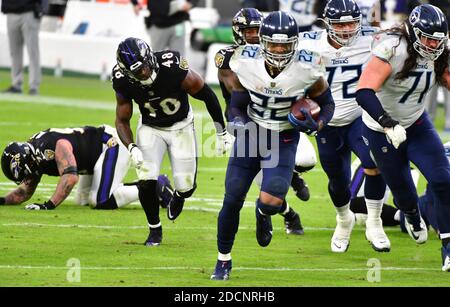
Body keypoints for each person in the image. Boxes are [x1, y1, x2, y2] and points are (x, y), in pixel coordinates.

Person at [211, 11, 335, 280]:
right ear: (263, 42)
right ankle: (223, 260)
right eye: (274, 44)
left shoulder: (308, 67)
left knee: (270, 201)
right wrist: (237, 122)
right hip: (253, 134)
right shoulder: (245, 62)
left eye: (285, 44)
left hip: (284, 137)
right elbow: (236, 106)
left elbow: (328, 105)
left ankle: (262, 212)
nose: (279, 50)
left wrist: (318, 124)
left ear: (295, 44)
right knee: (231, 199)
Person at [355, 4, 450, 272]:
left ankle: (448, 246)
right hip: (380, 129)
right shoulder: (392, 48)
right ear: (413, 32)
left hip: (418, 124)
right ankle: (411, 214)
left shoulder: (441, 51)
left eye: (437, 39)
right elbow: (363, 92)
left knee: (444, 180)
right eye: (428, 38)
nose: (433, 44)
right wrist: (387, 123)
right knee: (404, 194)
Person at [113, 37, 232, 247]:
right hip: (150, 127)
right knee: (146, 180)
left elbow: (208, 95)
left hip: (181, 126)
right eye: (136, 71)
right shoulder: (122, 79)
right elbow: (122, 119)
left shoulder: (172, 66)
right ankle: (154, 229)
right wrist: (131, 147)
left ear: (150, 57)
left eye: (144, 67)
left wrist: (221, 132)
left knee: (187, 187)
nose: (143, 73)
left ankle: (178, 194)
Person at [215, 7, 318, 236]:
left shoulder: (282, 55)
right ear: (238, 32)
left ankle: (291, 176)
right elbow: (240, 91)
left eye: (256, 30)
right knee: (262, 186)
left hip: (281, 125)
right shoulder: (231, 58)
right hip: (247, 122)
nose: (252, 35)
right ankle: (290, 214)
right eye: (248, 30)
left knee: (307, 160)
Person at [300, 0, 389, 253]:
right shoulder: (308, 44)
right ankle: (343, 219)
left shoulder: (372, 39)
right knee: (338, 181)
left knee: (374, 162)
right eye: (341, 24)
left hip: (360, 117)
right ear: (327, 24)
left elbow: (401, 38)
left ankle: (374, 221)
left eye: (352, 22)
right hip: (326, 122)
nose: (349, 28)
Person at [0, 125, 139, 210]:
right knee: (82, 200)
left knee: (99, 200)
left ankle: (155, 187)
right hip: (93, 159)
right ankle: (147, 191)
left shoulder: (47, 149)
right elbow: (23, 193)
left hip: (111, 144)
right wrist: (3, 200)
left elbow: (71, 177)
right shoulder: (34, 154)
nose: (27, 178)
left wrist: (50, 204)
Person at [1, 0, 44, 95]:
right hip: (11, 12)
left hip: (30, 11)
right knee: (14, 52)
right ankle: (16, 84)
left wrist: (41, 9)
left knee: (33, 52)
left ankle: (34, 86)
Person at [130, 0, 198, 56]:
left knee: (179, 59)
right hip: (158, 24)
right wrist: (135, 3)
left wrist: (190, 3)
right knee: (156, 58)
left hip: (178, 23)